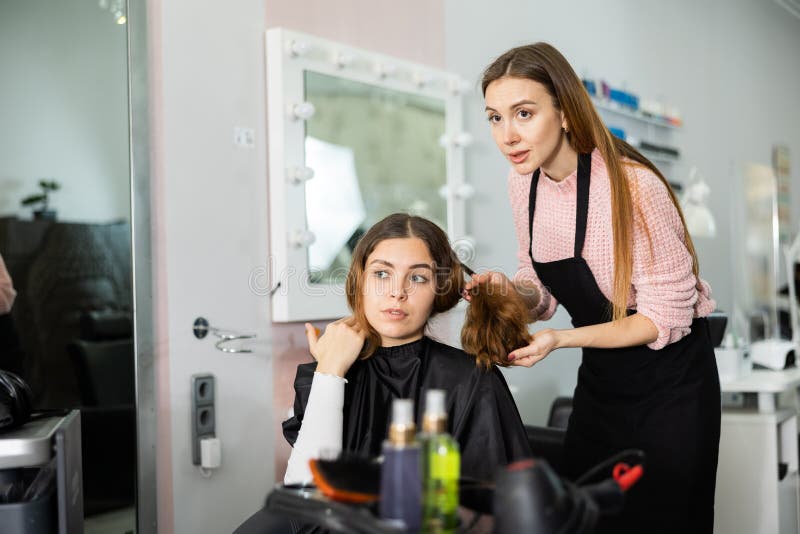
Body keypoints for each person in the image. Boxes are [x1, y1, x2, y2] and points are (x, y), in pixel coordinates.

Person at [470, 43, 720, 534]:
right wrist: (507, 291)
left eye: (524, 113)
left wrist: (561, 339)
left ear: (563, 112)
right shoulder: (524, 184)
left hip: (671, 387)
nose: (508, 135)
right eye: (495, 118)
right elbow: (540, 291)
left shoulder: (633, 186)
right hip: (603, 385)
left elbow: (661, 319)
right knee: (587, 518)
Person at [282, 213, 532, 487]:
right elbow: (306, 490)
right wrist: (329, 372)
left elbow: (490, 508)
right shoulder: (328, 367)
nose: (397, 292)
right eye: (381, 273)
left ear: (438, 289)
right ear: (359, 282)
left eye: (418, 278)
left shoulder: (472, 381)